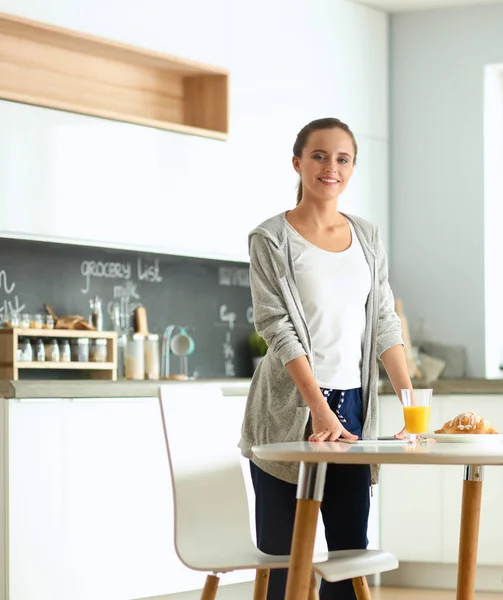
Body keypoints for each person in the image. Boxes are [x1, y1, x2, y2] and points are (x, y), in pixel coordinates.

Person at [239, 117, 412, 600]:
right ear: (297, 163)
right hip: (287, 410)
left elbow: (383, 321)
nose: (330, 167)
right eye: (318, 156)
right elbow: (277, 327)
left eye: (342, 158)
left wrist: (410, 402)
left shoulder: (367, 237)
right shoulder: (270, 239)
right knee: (283, 562)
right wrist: (317, 407)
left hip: (354, 410)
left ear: (352, 168)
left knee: (347, 558)